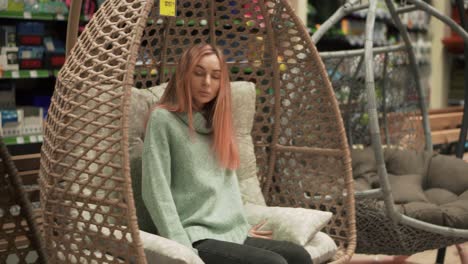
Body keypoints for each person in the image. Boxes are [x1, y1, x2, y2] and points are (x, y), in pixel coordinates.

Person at [142, 43, 312, 264]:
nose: (207, 83)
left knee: (298, 255)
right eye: (199, 73)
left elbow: (228, 187)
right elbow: (155, 191)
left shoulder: (218, 122)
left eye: (215, 76)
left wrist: (242, 226)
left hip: (231, 233)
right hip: (195, 236)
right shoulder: (163, 120)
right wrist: (182, 248)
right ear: (184, 75)